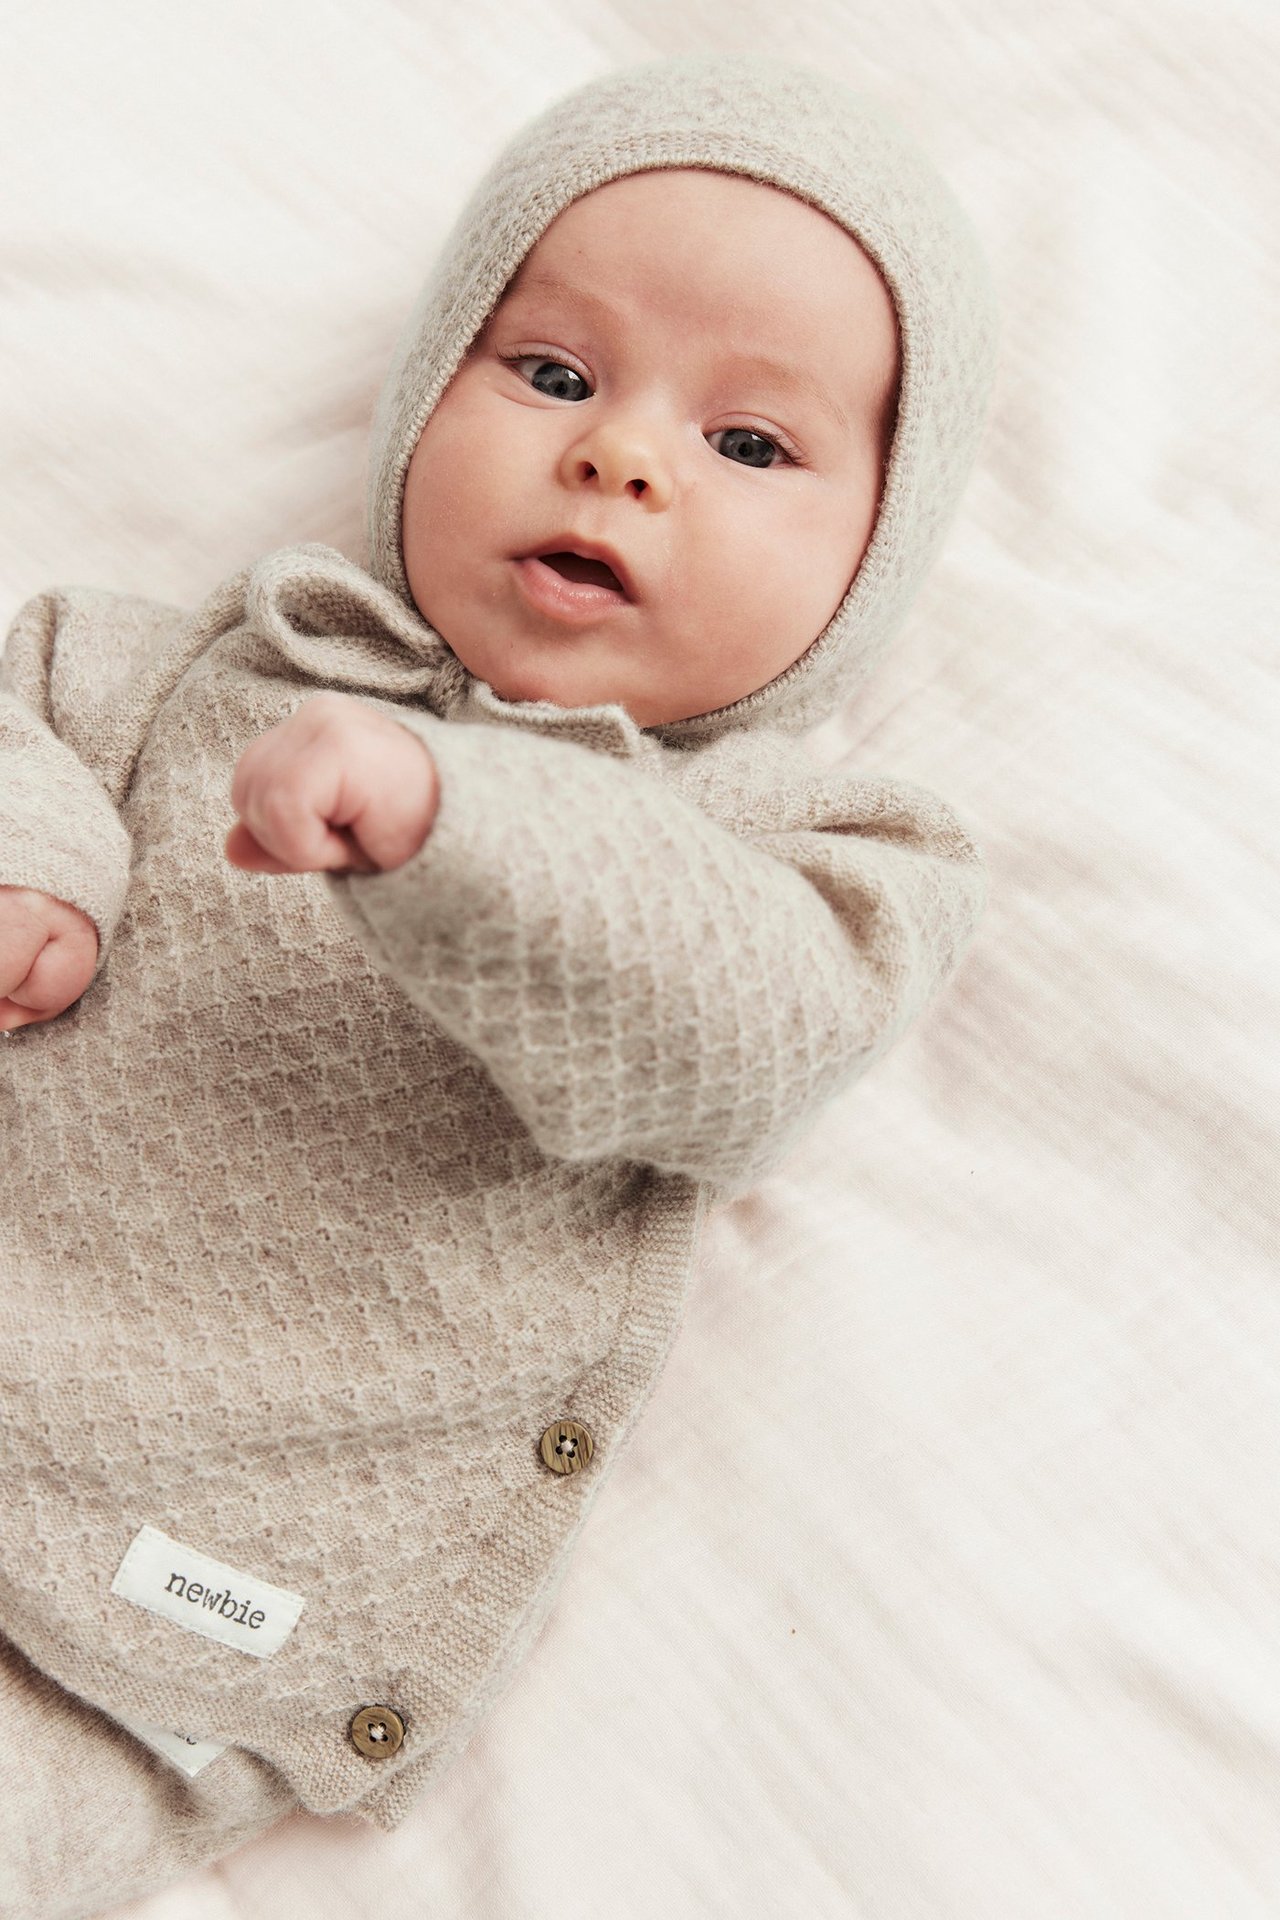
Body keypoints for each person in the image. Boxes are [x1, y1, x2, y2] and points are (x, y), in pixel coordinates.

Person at [0, 49, 999, 1919]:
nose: (620, 453)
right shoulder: (183, 664)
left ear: (877, 553)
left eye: (752, 443)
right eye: (553, 374)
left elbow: (742, 1038)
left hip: (169, 1609)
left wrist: (460, 827)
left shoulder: (822, 844)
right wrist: (31, 855)